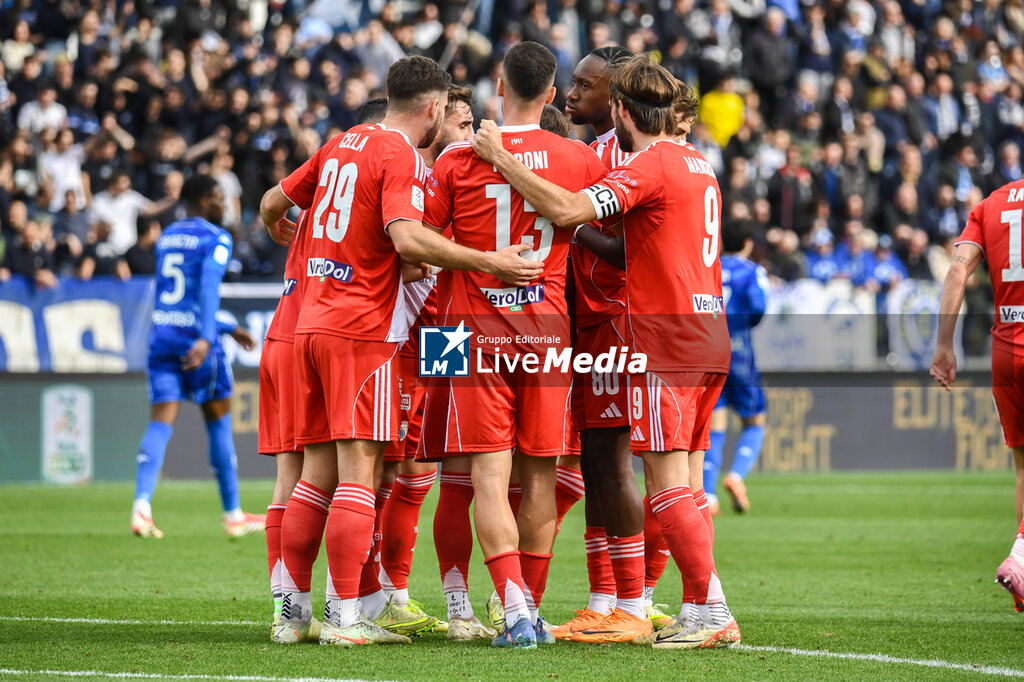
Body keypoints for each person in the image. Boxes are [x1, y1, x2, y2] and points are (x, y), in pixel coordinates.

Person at [259, 55, 542, 647]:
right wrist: (492, 262)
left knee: (406, 469)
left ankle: (332, 606)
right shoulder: (411, 164)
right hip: (381, 331)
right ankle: (353, 611)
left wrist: (288, 234)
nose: (464, 136)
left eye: (472, 127)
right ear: (436, 112)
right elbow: (409, 243)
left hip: (338, 322)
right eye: (458, 123)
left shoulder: (346, 145)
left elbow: (271, 203)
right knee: (383, 471)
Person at [472, 53, 741, 649]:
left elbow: (569, 210)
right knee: (678, 480)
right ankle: (690, 605)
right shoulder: (700, 162)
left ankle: (697, 605)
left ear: (621, 108)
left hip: (655, 339)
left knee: (659, 480)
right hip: (707, 332)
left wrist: (499, 157)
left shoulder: (651, 163)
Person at [420, 41, 608, 650]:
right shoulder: (578, 158)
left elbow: (418, 246)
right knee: (542, 478)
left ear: (499, 86)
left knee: (476, 476)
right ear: (553, 94)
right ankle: (529, 606)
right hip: (548, 333)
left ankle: (494, 605)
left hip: (463, 332)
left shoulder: (454, 159)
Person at [551, 44, 673, 643]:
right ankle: (610, 599)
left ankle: (634, 601)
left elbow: (627, 246)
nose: (572, 93)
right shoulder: (593, 151)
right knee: (601, 464)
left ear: (616, 99)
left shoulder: (620, 155)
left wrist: (569, 231)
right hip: (592, 318)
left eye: (585, 85)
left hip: (620, 315)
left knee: (618, 463)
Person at [376, 84, 479, 639]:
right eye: (462, 126)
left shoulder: (456, 182)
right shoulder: (409, 177)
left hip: (448, 335)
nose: (469, 136)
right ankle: (383, 591)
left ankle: (413, 595)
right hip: (406, 335)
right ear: (437, 124)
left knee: (434, 471)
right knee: (400, 470)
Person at [130, 174, 261, 539]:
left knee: (159, 424)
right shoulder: (216, 238)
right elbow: (205, 289)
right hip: (197, 343)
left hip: (163, 338)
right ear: (203, 200)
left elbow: (177, 299)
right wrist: (209, 334)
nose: (224, 203)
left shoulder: (166, 237)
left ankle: (141, 507)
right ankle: (233, 516)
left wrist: (227, 326)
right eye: (219, 196)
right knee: (218, 424)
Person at [930, 178, 1024, 613]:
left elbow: (956, 272)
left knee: (1023, 466)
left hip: (1005, 349)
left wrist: (945, 346)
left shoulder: (991, 204)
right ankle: (1021, 556)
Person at [704, 221, 769, 515]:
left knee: (713, 423)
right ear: (748, 242)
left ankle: (708, 494)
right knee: (755, 421)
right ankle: (736, 474)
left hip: (709, 351)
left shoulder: (708, 266)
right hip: (739, 352)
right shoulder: (752, 271)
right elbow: (758, 307)